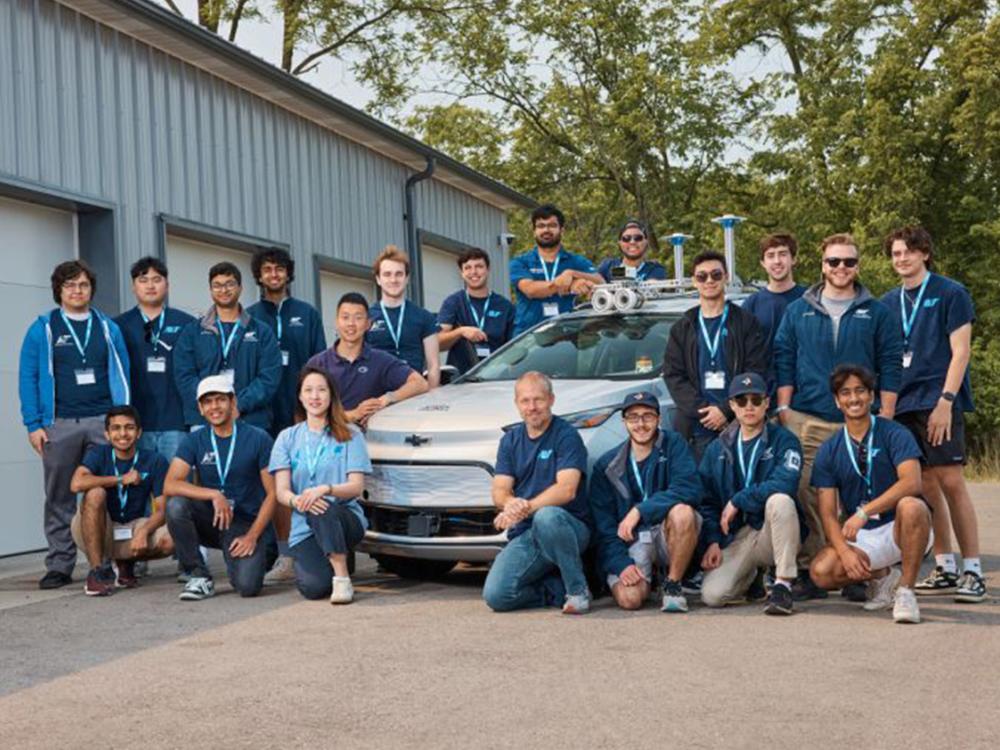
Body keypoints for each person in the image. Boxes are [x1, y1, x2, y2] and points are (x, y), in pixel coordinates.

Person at [774, 233, 903, 600]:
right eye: (834, 262)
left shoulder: (877, 312)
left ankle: (858, 571)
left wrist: (888, 411)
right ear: (822, 266)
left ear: (857, 266)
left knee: (862, 493)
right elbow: (784, 357)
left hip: (862, 421)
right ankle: (817, 568)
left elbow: (891, 363)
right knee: (807, 491)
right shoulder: (797, 309)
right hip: (808, 416)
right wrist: (783, 407)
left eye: (848, 261)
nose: (841, 268)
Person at [881, 227, 985, 602]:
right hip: (903, 404)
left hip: (938, 401)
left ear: (925, 253)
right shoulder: (889, 302)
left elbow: (961, 352)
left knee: (951, 481)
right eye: (895, 253)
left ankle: (973, 570)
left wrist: (945, 400)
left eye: (909, 251)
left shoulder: (950, 292)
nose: (902, 259)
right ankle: (944, 565)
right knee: (924, 486)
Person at [18, 260, 130, 590]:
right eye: (70, 285)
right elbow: (29, 377)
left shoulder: (108, 327)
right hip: (60, 424)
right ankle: (60, 564)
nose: (77, 291)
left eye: (82, 284)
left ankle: (106, 561)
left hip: (102, 423)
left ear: (91, 289)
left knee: (105, 491)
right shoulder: (43, 327)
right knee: (59, 497)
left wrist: (121, 418)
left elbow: (123, 372)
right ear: (59, 291)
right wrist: (34, 424)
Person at [809, 365, 932, 624]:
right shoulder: (829, 449)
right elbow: (828, 514)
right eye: (846, 393)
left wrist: (864, 512)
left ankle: (906, 592)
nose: (854, 399)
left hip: (901, 526)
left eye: (860, 391)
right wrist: (843, 551)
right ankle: (882, 578)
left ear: (871, 396)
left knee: (911, 505)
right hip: (865, 536)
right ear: (837, 401)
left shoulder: (894, 433)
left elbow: (912, 482)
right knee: (821, 572)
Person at [246, 248, 327, 585]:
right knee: (270, 484)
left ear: (288, 274)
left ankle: (311, 548)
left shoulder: (306, 313)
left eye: (279, 269)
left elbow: (318, 363)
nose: (274, 275)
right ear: (259, 276)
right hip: (263, 414)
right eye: (267, 270)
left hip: (299, 412)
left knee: (304, 479)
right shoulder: (247, 316)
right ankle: (278, 551)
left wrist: (308, 408)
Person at [482, 372, 593, 614]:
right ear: (517, 404)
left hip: (568, 527)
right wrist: (510, 503)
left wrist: (525, 508)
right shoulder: (510, 440)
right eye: (525, 401)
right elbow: (499, 490)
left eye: (538, 400)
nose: (532, 407)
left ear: (551, 400)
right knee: (497, 596)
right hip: (528, 532)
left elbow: (567, 489)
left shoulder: (566, 436)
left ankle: (578, 591)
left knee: (548, 516)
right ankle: (555, 589)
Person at [698, 373, 805, 615]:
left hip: (770, 529)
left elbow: (785, 483)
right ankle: (753, 576)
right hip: (737, 535)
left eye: (756, 400)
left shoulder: (784, 440)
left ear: (767, 403)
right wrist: (713, 540)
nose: (749, 407)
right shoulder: (717, 448)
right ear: (732, 406)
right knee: (712, 596)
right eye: (741, 401)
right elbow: (707, 501)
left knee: (780, 500)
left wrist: (739, 499)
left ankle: (783, 584)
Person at [164, 375, 278, 600]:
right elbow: (170, 484)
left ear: (232, 401)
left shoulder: (258, 438)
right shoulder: (194, 440)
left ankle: (254, 557)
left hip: (246, 523)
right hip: (214, 519)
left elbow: (274, 493)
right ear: (200, 407)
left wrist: (252, 536)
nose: (214, 407)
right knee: (176, 505)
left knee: (247, 587)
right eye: (207, 402)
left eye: (220, 400)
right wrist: (213, 494)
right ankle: (198, 575)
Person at [589, 391, 702, 612]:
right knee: (629, 600)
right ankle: (650, 582)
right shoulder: (607, 465)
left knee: (683, 512)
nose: (641, 424)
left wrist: (640, 510)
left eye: (648, 416)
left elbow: (689, 488)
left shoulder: (674, 444)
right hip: (633, 541)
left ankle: (673, 584)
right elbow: (604, 526)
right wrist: (621, 565)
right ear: (624, 422)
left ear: (658, 419)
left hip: (665, 531)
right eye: (633, 417)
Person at [269, 367, 372, 604]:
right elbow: (281, 491)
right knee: (314, 588)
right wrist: (298, 500)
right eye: (309, 390)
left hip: (345, 518)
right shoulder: (287, 438)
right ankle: (328, 560)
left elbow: (356, 487)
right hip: (303, 524)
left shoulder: (351, 434)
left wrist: (326, 489)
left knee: (322, 505)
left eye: (321, 390)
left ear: (331, 395)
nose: (315, 396)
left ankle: (342, 576)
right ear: (300, 396)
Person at [663, 250, 768, 461]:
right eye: (702, 276)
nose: (709, 281)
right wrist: (704, 411)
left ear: (726, 277)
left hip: (739, 424)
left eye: (716, 275)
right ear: (694, 281)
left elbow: (755, 370)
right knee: (699, 491)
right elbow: (674, 375)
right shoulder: (683, 327)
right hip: (695, 429)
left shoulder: (746, 322)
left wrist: (725, 410)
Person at [68, 406, 173, 596]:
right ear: (107, 434)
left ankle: (125, 565)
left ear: (139, 432)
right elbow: (76, 484)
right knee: (96, 493)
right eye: (116, 428)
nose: (123, 433)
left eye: (129, 427)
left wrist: (144, 531)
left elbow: (163, 509)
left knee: (169, 540)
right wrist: (119, 479)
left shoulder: (155, 460)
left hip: (131, 529)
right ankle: (96, 572)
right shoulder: (98, 454)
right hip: (98, 529)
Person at [173, 262, 283, 431]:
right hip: (204, 422)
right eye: (217, 285)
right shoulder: (192, 332)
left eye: (229, 284)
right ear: (210, 290)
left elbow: (269, 377)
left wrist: (238, 405)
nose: (223, 290)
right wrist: (211, 405)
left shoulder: (261, 331)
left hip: (251, 420)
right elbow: (184, 375)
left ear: (240, 288)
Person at [114, 257, 195, 463]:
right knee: (138, 490)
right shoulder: (117, 326)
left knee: (177, 492)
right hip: (135, 425)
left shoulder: (187, 323)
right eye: (143, 280)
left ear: (167, 285)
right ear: (133, 287)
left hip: (177, 424)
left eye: (157, 279)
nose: (150, 285)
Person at [307, 292, 429, 426]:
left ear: (368, 324)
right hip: (329, 442)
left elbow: (420, 383)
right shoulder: (318, 364)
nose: (351, 324)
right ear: (336, 322)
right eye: (345, 317)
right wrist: (355, 414)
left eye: (358, 318)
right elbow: (312, 414)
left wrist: (385, 400)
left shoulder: (380, 360)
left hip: (370, 443)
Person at [510, 204, 604, 335]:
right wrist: (566, 283)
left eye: (552, 225)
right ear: (534, 231)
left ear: (562, 230)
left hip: (566, 338)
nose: (546, 230)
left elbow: (601, 282)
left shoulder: (575, 261)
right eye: (541, 226)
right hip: (528, 337)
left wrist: (572, 274)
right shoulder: (520, 262)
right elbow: (530, 290)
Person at [366, 245, 441, 387]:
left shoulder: (424, 317)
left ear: (407, 278)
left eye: (399, 274)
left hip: (413, 395)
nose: (393, 280)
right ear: (378, 279)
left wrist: (431, 398)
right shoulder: (367, 318)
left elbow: (433, 365)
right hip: (378, 398)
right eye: (387, 274)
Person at [437, 248, 515, 374]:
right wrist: (460, 332)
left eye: (479, 266)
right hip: (461, 379)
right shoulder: (453, 303)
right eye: (467, 268)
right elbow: (438, 343)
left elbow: (514, 347)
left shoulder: (505, 306)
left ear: (488, 270)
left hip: (497, 377)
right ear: (461, 272)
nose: (473, 272)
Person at [741, 233, 806, 363]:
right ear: (763, 263)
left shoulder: (809, 299)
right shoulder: (751, 304)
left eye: (783, 254)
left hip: (803, 380)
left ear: (793, 259)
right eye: (770, 256)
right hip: (764, 380)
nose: (777, 261)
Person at [596, 219, 668, 282]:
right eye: (626, 238)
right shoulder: (608, 266)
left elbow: (653, 285)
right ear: (620, 243)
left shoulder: (654, 269)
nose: (632, 242)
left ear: (646, 242)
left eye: (638, 238)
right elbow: (593, 281)